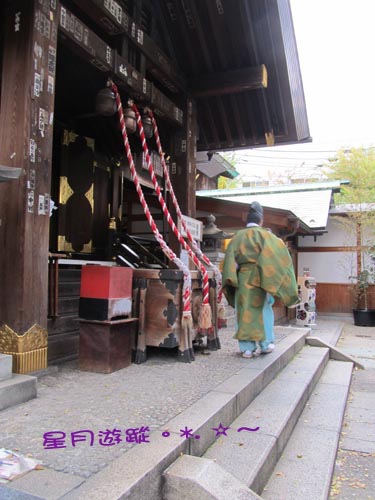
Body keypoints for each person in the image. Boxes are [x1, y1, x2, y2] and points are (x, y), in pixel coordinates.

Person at [222, 201, 299, 358]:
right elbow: (280, 255)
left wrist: (232, 280)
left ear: (247, 220)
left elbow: (229, 262)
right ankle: (265, 344)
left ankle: (247, 349)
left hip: (243, 279)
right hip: (263, 279)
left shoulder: (237, 237)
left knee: (243, 313)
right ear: (261, 220)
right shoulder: (268, 236)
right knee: (263, 310)